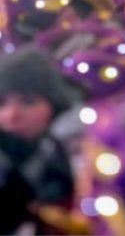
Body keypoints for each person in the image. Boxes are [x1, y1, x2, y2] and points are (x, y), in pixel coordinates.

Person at [0, 48, 80, 233]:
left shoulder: (76, 158)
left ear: (55, 106)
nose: (12, 115)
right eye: (1, 103)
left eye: (28, 102)